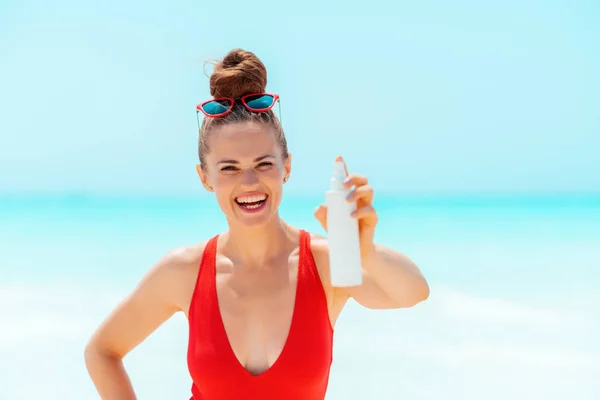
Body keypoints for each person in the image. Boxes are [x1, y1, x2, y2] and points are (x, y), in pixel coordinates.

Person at [84, 48, 430, 400]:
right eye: (229, 168)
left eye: (264, 164)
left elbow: (413, 293)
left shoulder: (327, 265)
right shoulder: (184, 271)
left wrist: (365, 252)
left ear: (287, 168)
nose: (249, 183)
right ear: (205, 178)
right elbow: (102, 351)